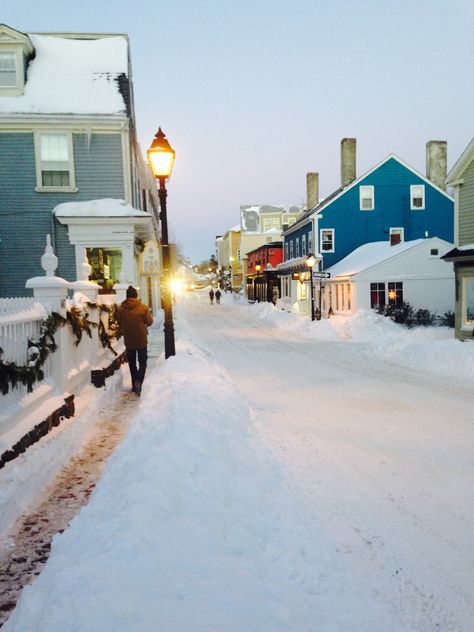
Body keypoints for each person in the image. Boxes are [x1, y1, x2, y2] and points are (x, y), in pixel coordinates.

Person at [117, 286, 153, 396]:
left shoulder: (121, 308)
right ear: (136, 296)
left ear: (127, 296)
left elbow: (118, 320)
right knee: (143, 362)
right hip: (141, 339)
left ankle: (134, 384)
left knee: (132, 363)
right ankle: (139, 381)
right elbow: (150, 322)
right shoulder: (143, 307)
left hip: (129, 340)